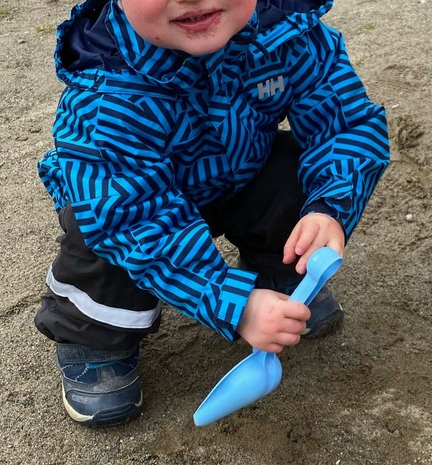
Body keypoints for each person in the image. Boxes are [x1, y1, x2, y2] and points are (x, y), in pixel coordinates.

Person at [35, 0, 390, 427]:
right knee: (103, 240)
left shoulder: (288, 31)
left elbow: (347, 124)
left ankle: (280, 276)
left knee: (293, 174)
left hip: (239, 175)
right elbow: (130, 218)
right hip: (132, 205)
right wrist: (235, 306)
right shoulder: (107, 91)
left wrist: (328, 207)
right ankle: (94, 335)